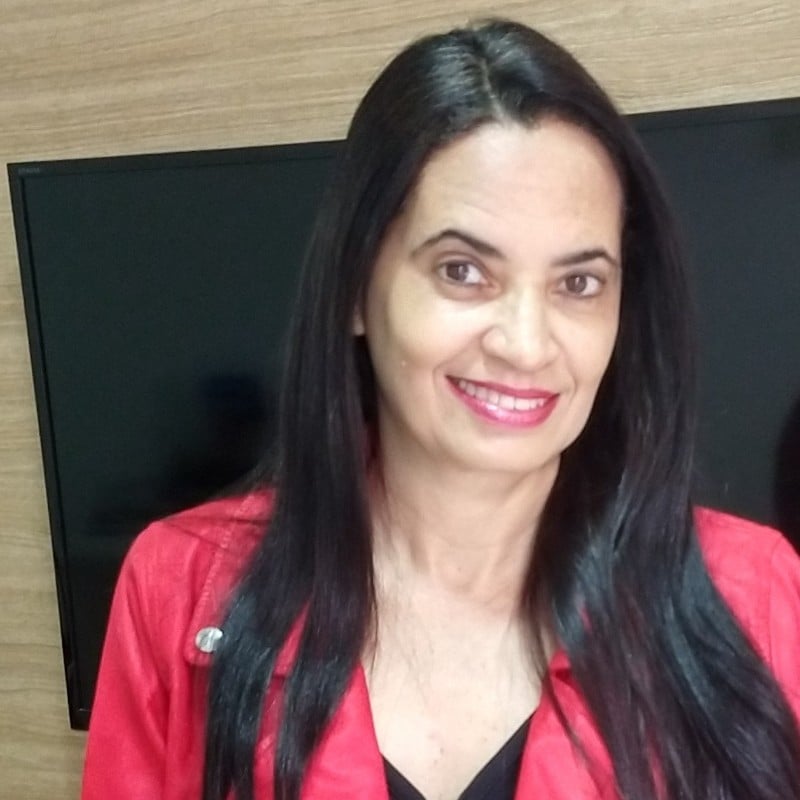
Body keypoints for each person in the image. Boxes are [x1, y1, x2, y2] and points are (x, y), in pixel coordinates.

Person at [82, 18, 800, 800]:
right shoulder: (181, 586)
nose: (526, 344)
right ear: (356, 287)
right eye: (462, 270)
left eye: (578, 283)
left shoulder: (755, 592)